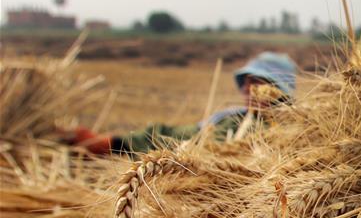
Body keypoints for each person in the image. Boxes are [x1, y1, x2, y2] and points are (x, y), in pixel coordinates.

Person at [65, 52, 297, 155]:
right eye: (245, 82)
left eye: (257, 82)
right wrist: (112, 143)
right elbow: (172, 137)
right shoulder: (229, 119)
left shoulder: (298, 133)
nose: (247, 89)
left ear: (279, 89)